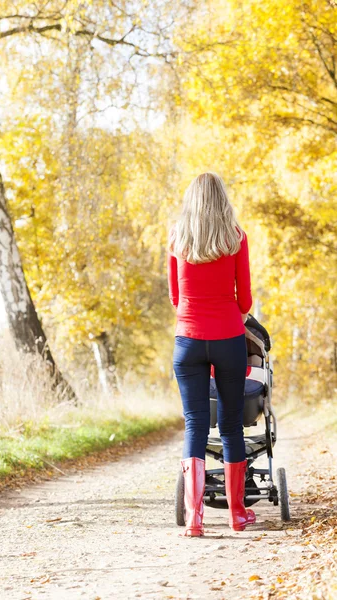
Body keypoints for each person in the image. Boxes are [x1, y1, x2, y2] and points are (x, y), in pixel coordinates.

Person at [167, 172, 256, 536]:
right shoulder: (236, 238)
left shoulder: (177, 237)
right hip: (228, 338)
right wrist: (231, 314)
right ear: (222, 200)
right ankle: (237, 515)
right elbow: (245, 300)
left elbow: (176, 298)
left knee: (195, 425)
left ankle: (194, 519)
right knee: (231, 425)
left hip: (187, 341)